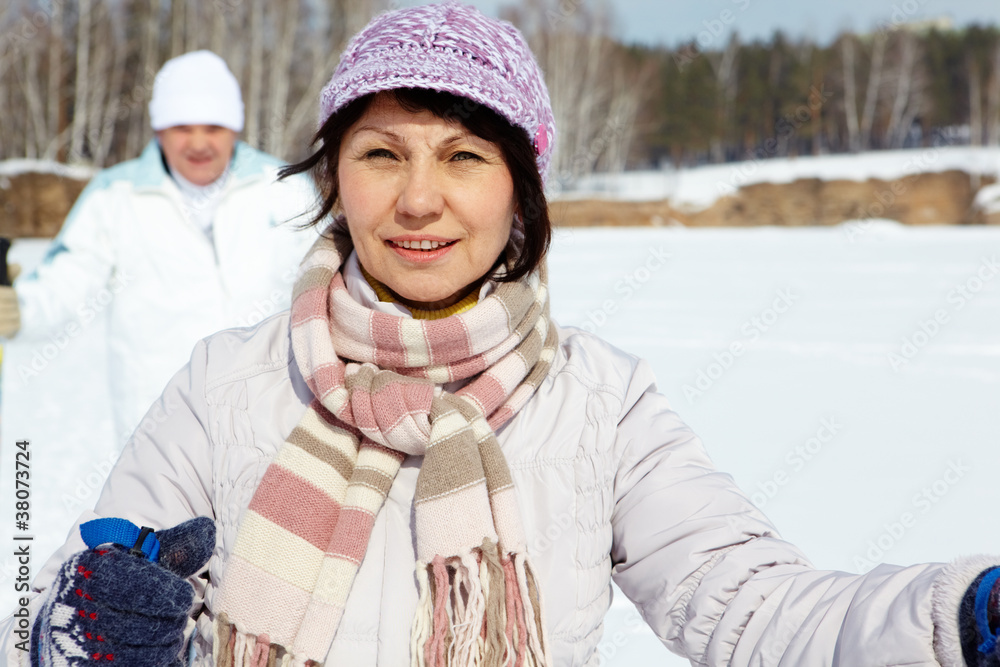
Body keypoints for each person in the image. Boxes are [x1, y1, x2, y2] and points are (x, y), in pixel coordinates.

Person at [3, 4, 1000, 666]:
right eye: (381, 152)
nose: (419, 198)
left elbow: (750, 603)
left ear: (520, 188)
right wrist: (87, 625)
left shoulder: (599, 399)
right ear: (334, 178)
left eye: (465, 154)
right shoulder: (225, 383)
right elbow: (61, 609)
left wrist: (962, 615)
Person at [0, 50, 317, 442]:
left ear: (234, 127)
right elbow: (68, 278)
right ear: (159, 130)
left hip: (273, 413)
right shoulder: (116, 196)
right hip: (160, 422)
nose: (199, 143)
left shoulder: (285, 189)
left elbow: (328, 277)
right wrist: (21, 309)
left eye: (213, 126)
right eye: (182, 127)